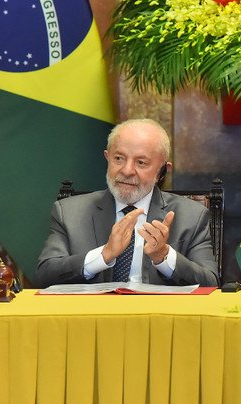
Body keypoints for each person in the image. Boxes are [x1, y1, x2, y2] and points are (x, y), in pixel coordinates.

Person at [35, 119, 219, 287]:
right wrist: (103, 255)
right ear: (107, 158)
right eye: (119, 159)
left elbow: (210, 283)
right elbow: (44, 276)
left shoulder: (191, 216)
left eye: (141, 162)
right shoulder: (69, 212)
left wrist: (164, 257)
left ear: (162, 171)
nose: (127, 170)